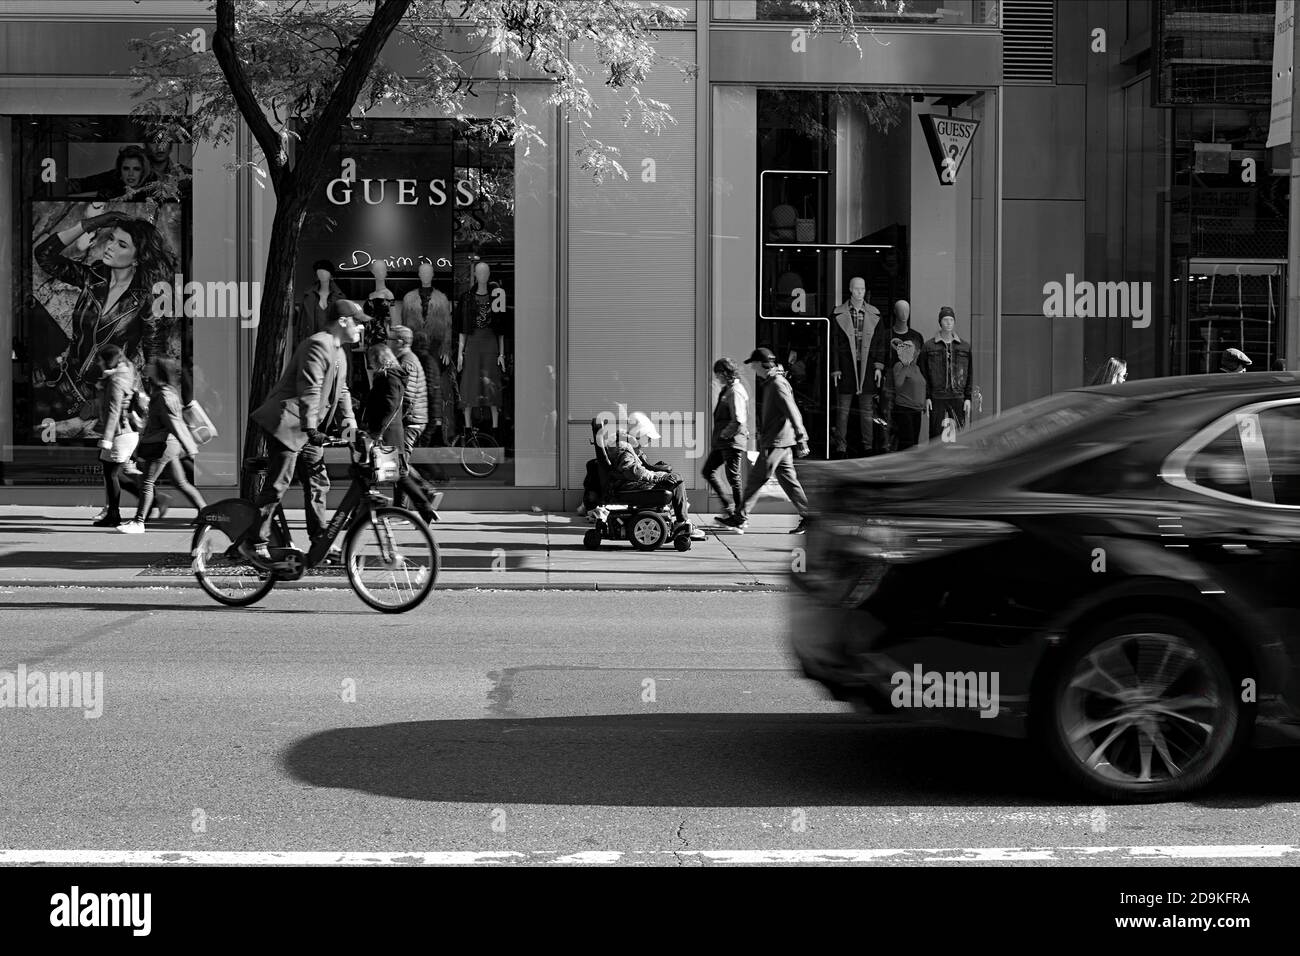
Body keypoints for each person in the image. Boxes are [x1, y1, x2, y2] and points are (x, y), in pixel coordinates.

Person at [34, 210, 175, 438]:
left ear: (138, 258)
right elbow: (44, 255)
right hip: (64, 379)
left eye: (122, 244)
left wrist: (153, 406)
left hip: (102, 397)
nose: (110, 247)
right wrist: (91, 223)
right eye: (111, 238)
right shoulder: (94, 277)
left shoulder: (148, 298)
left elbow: (154, 355)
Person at [243, 299, 362, 564]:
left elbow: (341, 391)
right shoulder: (318, 344)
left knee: (319, 482)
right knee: (278, 484)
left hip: (308, 429)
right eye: (358, 322)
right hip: (289, 422)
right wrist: (311, 426)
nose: (361, 328)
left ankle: (320, 541)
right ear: (343, 321)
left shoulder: (339, 351)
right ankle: (255, 542)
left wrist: (351, 426)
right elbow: (310, 388)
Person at [716, 348, 812, 535]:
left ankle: (740, 517)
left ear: (761, 364)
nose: (752, 367)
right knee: (789, 482)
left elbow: (792, 411)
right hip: (778, 441)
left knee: (756, 479)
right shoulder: (771, 382)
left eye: (753, 364)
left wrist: (802, 438)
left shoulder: (777, 383)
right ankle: (810, 516)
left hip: (776, 441)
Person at [116, 357, 204, 533]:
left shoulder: (164, 395)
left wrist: (189, 447)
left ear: (159, 372)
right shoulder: (163, 392)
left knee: (147, 483)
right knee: (181, 483)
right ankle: (206, 513)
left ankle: (139, 522)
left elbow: (174, 423)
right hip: (166, 444)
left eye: (152, 366)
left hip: (161, 444)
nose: (147, 367)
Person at [362, 344, 439, 524]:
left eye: (371, 360)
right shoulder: (390, 376)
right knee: (394, 474)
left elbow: (390, 406)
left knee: (396, 475)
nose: (369, 365)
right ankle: (424, 504)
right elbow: (398, 406)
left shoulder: (389, 378)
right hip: (389, 432)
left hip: (386, 434)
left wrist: (375, 433)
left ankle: (424, 505)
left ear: (377, 359)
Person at [607, 412, 692, 537]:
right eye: (648, 437)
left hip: (628, 483)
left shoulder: (626, 446)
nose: (650, 440)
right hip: (629, 486)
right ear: (638, 433)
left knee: (676, 478)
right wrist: (657, 477)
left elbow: (637, 469)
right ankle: (682, 522)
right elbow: (633, 471)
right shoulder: (624, 447)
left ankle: (682, 520)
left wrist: (659, 474)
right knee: (677, 481)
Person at [384, 325, 438, 512]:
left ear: (400, 342)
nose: (388, 343)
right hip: (414, 418)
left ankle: (417, 497)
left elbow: (405, 397)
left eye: (391, 340)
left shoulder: (406, 362)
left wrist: (395, 420)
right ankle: (410, 501)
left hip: (411, 421)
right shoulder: (406, 359)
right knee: (400, 462)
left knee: (399, 464)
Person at [92, 345, 147, 527]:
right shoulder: (122, 372)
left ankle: (115, 513)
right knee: (113, 473)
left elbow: (114, 411)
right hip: (123, 432)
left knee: (113, 474)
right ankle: (118, 510)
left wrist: (107, 439)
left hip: (120, 433)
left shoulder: (116, 380)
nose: (97, 363)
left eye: (100, 360)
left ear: (107, 360)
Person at [830, 277, 880, 456]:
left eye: (863, 288)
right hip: (846, 367)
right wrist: (835, 368)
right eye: (857, 289)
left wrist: (878, 367)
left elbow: (878, 342)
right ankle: (841, 447)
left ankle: (868, 447)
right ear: (850, 289)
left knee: (867, 410)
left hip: (866, 367)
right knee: (843, 410)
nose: (860, 292)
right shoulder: (838, 314)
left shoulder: (874, 314)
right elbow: (833, 344)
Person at [868, 300, 925, 453]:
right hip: (891, 382)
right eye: (900, 310)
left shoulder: (916, 336)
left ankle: (904, 453)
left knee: (909, 426)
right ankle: (887, 451)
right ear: (894, 311)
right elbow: (879, 356)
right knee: (888, 420)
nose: (904, 314)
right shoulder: (886, 335)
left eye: (906, 310)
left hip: (910, 386)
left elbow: (920, 364)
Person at [701, 358, 749, 517]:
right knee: (708, 471)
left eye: (718, 374)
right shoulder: (728, 389)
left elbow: (739, 420)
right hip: (724, 442)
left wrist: (724, 434)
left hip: (731, 442)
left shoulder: (735, 391)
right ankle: (730, 508)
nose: (717, 378)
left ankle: (740, 516)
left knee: (734, 479)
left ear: (724, 373)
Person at [920, 306, 973, 441]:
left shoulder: (964, 347)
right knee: (936, 436)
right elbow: (923, 374)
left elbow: (970, 373)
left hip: (957, 396)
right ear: (940, 322)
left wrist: (968, 397)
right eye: (945, 319)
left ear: (954, 322)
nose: (949, 323)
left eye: (951, 319)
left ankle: (956, 461)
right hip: (937, 396)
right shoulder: (929, 347)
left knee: (958, 436)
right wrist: (926, 396)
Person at [297, 260, 343, 346]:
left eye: (325, 271)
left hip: (332, 347)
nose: (321, 274)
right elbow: (300, 324)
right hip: (311, 346)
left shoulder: (340, 298)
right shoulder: (308, 297)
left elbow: (344, 328)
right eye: (319, 271)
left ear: (331, 275)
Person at [891, 339, 926, 450]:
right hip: (904, 409)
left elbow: (920, 386)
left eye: (912, 350)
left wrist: (923, 403)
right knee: (907, 442)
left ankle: (911, 465)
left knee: (914, 442)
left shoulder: (917, 368)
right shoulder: (899, 365)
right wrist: (906, 365)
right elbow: (898, 384)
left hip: (916, 410)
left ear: (918, 352)